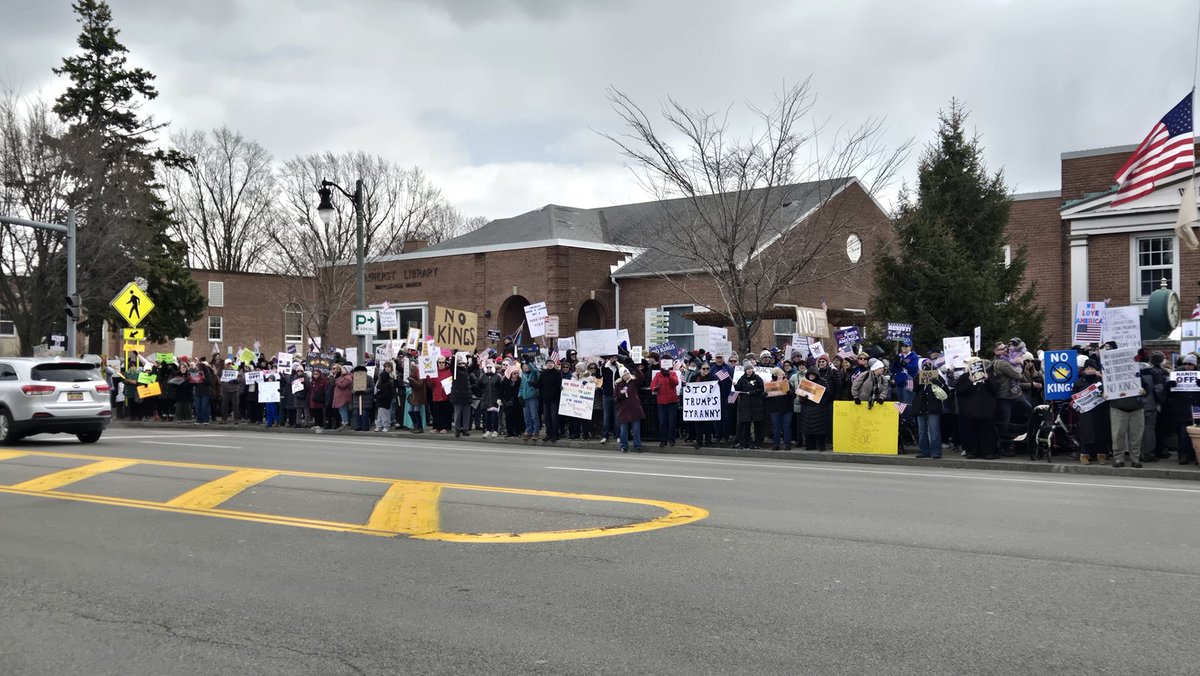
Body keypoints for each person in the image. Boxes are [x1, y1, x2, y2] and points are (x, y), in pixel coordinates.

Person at [955, 357, 999, 459]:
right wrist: (969, 382)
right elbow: (960, 391)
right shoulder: (964, 377)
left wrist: (987, 379)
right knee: (970, 431)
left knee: (987, 431)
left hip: (986, 409)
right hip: (969, 410)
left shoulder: (989, 376)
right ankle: (971, 451)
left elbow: (996, 389)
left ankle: (987, 451)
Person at [1072, 359, 1110, 465]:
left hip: (1100, 411)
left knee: (1101, 432)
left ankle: (1101, 454)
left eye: (1092, 368)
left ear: (1096, 369)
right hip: (1085, 413)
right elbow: (1074, 397)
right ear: (1084, 370)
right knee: (1086, 433)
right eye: (1087, 368)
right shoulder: (1078, 382)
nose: (1089, 370)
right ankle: (1084, 454)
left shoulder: (1101, 381)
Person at [1164, 354, 1200, 465]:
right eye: (1185, 364)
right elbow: (1167, 394)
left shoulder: (1198, 375)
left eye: (1190, 364)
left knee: (1196, 433)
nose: (1187, 366)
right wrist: (1169, 386)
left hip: (1196, 407)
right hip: (1181, 408)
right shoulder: (1176, 374)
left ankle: (1195, 455)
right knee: (1182, 434)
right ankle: (1184, 455)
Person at [913, 360, 947, 459]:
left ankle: (936, 451)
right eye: (925, 365)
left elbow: (946, 389)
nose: (927, 367)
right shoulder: (917, 376)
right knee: (922, 431)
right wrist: (920, 375)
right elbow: (914, 388)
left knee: (934, 430)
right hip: (921, 406)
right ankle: (924, 451)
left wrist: (937, 382)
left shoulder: (937, 375)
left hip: (933, 407)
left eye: (929, 365)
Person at [795, 367, 831, 451]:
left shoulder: (822, 382)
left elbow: (828, 394)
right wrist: (803, 398)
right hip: (807, 409)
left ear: (816, 374)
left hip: (820, 409)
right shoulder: (805, 383)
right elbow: (800, 396)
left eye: (813, 374)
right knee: (808, 430)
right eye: (810, 374)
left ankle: (821, 445)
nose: (811, 376)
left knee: (820, 429)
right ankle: (810, 445)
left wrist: (822, 402)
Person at [734, 362, 766, 449]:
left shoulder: (757, 378)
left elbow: (761, 389)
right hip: (746, 405)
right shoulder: (742, 379)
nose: (749, 370)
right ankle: (746, 443)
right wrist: (735, 385)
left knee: (757, 425)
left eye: (751, 369)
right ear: (745, 370)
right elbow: (738, 390)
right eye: (748, 369)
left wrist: (752, 392)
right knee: (746, 425)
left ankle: (758, 443)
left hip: (756, 404)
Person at [614, 363, 645, 453]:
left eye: (627, 374)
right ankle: (624, 446)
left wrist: (634, 367)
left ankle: (637, 445)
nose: (627, 376)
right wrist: (621, 394)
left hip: (635, 409)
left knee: (636, 430)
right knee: (623, 431)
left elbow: (641, 377)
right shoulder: (618, 385)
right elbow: (615, 399)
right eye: (624, 375)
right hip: (623, 410)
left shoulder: (634, 382)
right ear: (622, 377)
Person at [651, 361, 680, 447]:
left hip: (671, 401)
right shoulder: (658, 375)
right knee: (662, 422)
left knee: (671, 422)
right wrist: (656, 388)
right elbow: (652, 386)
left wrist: (669, 375)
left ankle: (672, 440)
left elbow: (676, 383)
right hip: (661, 402)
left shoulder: (673, 373)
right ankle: (663, 440)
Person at [764, 367, 793, 451]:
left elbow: (793, 395)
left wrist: (790, 392)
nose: (781, 376)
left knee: (786, 427)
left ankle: (787, 444)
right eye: (779, 374)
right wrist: (764, 395)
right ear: (775, 375)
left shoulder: (787, 383)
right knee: (776, 428)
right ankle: (776, 445)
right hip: (775, 409)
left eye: (782, 374)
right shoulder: (770, 384)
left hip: (787, 409)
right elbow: (766, 397)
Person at [450, 355, 477, 438]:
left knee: (466, 414)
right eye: (460, 363)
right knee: (457, 414)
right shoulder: (455, 372)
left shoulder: (467, 371)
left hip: (466, 395)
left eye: (463, 363)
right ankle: (457, 429)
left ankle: (465, 429)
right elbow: (452, 365)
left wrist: (474, 357)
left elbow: (473, 366)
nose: (462, 364)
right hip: (457, 395)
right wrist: (454, 355)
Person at [539, 360, 563, 443]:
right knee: (546, 417)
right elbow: (540, 384)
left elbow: (559, 385)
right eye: (548, 363)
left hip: (554, 399)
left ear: (554, 364)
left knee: (554, 417)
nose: (549, 365)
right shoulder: (543, 373)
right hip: (545, 399)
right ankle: (548, 434)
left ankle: (555, 434)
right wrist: (533, 384)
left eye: (551, 363)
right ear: (546, 365)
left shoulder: (557, 373)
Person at [477, 362, 503, 438]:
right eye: (487, 367)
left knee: (494, 416)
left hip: (495, 400)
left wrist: (500, 398)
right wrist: (480, 378)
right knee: (487, 416)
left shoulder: (497, 377)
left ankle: (495, 430)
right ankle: (488, 430)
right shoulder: (483, 376)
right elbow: (478, 386)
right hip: (486, 399)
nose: (489, 369)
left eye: (490, 367)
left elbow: (500, 388)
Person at [519, 361, 542, 440]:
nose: (525, 367)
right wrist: (520, 396)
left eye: (526, 365)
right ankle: (529, 430)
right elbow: (521, 387)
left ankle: (536, 432)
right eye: (524, 366)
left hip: (533, 396)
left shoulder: (534, 374)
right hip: (525, 397)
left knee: (534, 415)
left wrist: (529, 362)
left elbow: (535, 371)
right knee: (527, 416)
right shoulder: (524, 375)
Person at [500, 365, 524, 438]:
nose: (516, 375)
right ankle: (510, 432)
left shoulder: (520, 381)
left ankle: (518, 432)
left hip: (517, 402)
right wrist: (501, 399)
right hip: (508, 401)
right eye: (514, 373)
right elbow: (501, 391)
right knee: (509, 418)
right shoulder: (506, 381)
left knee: (518, 417)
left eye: (517, 373)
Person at [405, 358, 427, 433]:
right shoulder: (413, 374)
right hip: (414, 395)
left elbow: (419, 385)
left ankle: (419, 427)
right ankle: (415, 425)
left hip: (419, 395)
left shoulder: (421, 374)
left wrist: (411, 380)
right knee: (410, 411)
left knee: (416, 411)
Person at [373, 364, 395, 432]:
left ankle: (386, 426)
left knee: (385, 415)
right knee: (379, 415)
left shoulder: (387, 385)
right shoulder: (381, 384)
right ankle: (379, 426)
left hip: (384, 402)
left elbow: (386, 395)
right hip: (380, 402)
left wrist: (376, 396)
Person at [331, 364, 353, 429]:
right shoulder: (341, 377)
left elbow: (343, 386)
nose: (342, 370)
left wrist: (335, 381)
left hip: (344, 396)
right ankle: (343, 422)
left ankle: (345, 423)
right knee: (341, 410)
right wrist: (332, 379)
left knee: (343, 410)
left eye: (344, 369)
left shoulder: (348, 377)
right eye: (342, 369)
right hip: (339, 396)